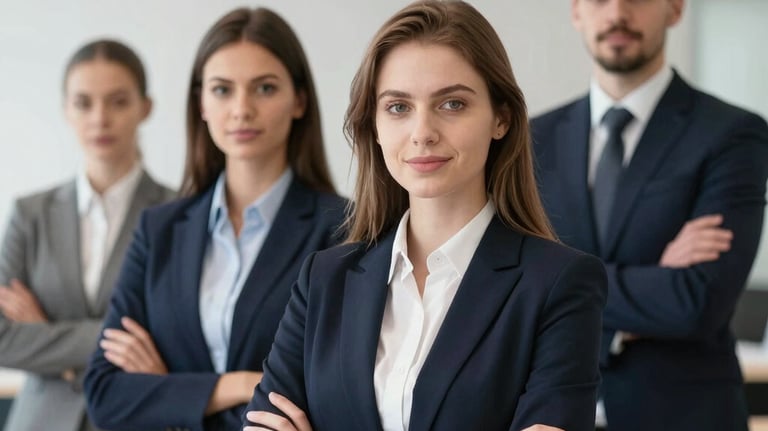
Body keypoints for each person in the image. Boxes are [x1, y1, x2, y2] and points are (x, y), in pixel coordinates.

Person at [242, 2, 607, 431]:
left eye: (452, 104)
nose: (422, 133)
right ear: (374, 126)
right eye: (398, 107)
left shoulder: (559, 284)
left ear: (501, 118)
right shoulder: (324, 280)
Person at [83, 7, 346, 431]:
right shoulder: (159, 230)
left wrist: (171, 389)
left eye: (264, 88)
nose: (241, 109)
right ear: (201, 103)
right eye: (222, 90)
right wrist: (238, 384)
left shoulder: (344, 230)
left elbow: (324, 398)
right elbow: (104, 395)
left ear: (299, 100)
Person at [530, 0, 768, 430]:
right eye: (599, 0)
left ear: (674, 8)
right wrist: (653, 280)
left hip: (684, 417)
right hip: (552, 416)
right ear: (576, 11)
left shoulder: (733, 134)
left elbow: (697, 302)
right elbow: (515, 289)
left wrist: (560, 291)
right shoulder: (532, 140)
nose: (617, 12)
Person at [0, 39, 175, 431]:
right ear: (65, 109)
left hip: (136, 421)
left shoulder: (178, 214)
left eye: (118, 102)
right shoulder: (30, 215)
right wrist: (117, 340)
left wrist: (44, 335)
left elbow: (173, 339)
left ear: (145, 108)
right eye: (83, 103)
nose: (100, 118)